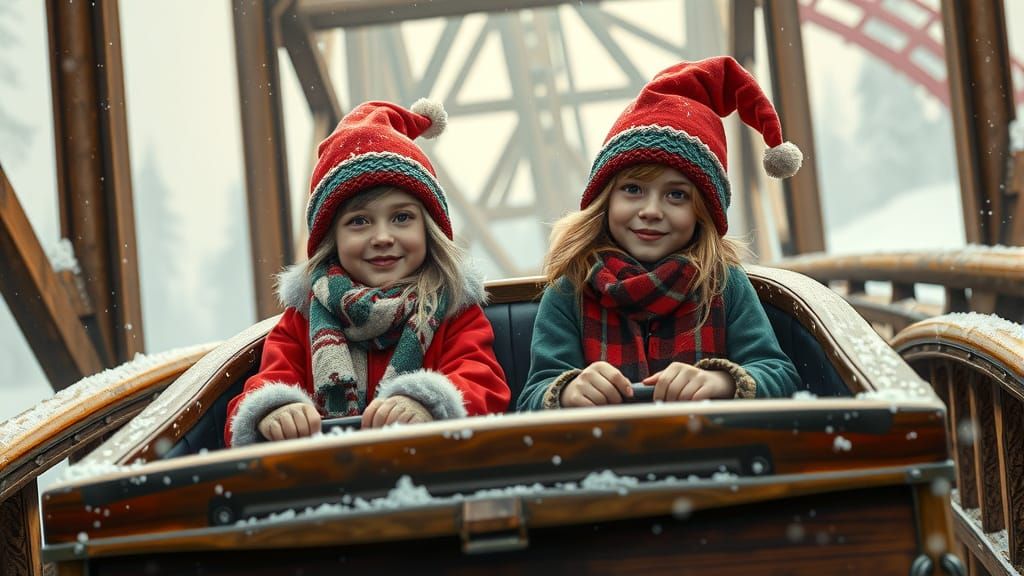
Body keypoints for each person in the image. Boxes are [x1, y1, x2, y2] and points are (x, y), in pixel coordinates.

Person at [518, 56, 801, 411]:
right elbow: (531, 397)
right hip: (604, 447)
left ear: (703, 213)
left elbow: (780, 375)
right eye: (633, 189)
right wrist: (568, 391)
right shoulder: (570, 291)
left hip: (707, 444)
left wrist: (721, 381)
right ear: (605, 200)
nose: (651, 210)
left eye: (676, 195)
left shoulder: (724, 285)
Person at [226, 99, 510, 446]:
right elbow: (265, 385)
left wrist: (425, 404)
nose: (382, 237)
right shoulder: (302, 320)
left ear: (428, 229)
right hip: (333, 473)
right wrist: (274, 410)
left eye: (401, 217)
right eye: (359, 221)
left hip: (427, 470)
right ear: (332, 239)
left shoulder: (453, 311)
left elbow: (484, 386)